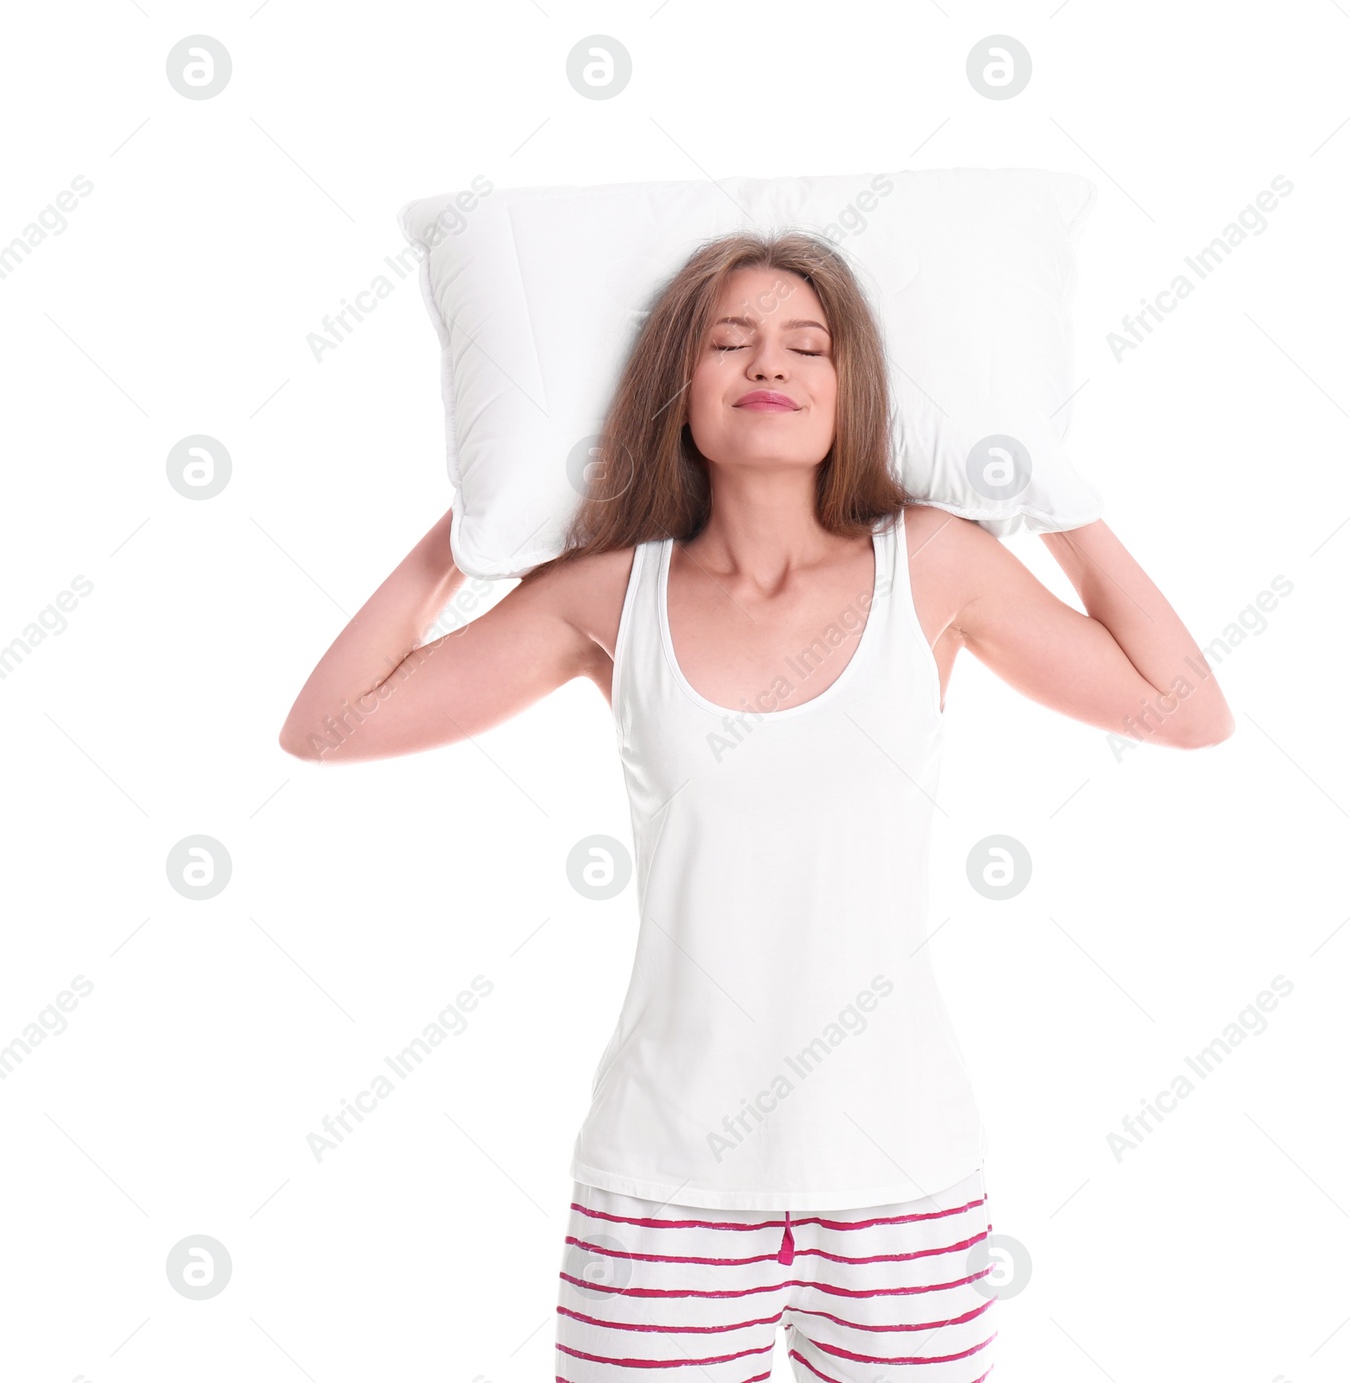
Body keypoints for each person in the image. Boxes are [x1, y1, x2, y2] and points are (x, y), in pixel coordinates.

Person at [279, 231, 1234, 1380]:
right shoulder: (605, 590)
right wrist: (473, 523)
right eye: (728, 340)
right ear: (678, 387)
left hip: (899, 1177)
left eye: (805, 344)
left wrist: (1056, 492)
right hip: (664, 1185)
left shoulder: (934, 565)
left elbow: (1184, 710)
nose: (767, 362)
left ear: (850, 388)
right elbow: (327, 724)